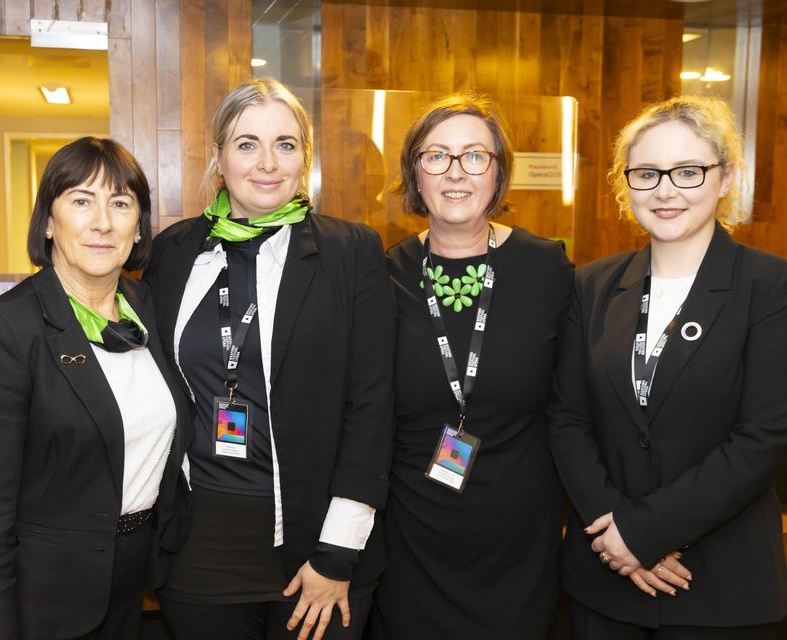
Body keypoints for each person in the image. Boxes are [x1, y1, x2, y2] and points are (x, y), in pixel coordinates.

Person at [145, 77, 395, 640]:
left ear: (305, 157)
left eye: (285, 144)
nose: (267, 163)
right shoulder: (175, 251)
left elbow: (372, 406)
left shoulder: (349, 251)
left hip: (315, 545)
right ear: (218, 156)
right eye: (246, 143)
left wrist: (337, 552)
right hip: (197, 546)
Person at [0, 137, 192, 640]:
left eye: (120, 204)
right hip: (41, 600)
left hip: (132, 581)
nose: (102, 222)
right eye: (81, 201)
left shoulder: (145, 306)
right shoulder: (0, 334)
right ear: (49, 221)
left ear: (138, 225)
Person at [549, 95, 787, 638]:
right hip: (604, 579)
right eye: (647, 173)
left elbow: (764, 438)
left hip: (720, 587)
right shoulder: (592, 284)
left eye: (687, 171)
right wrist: (619, 538)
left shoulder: (770, 287)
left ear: (724, 178)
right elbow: (567, 419)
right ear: (624, 181)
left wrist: (645, 534)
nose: (665, 190)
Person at [366, 93, 573, 639]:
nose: (456, 173)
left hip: (520, 540)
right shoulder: (381, 275)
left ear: (498, 171)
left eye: (475, 156)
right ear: (415, 172)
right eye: (436, 156)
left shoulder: (547, 268)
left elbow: (575, 408)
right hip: (413, 538)